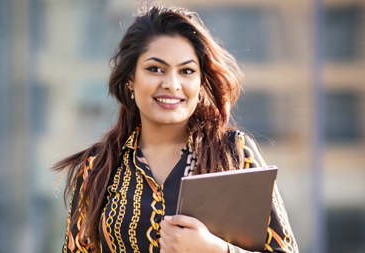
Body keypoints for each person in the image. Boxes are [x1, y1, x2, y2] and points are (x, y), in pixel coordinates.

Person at [53, 3, 298, 253]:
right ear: (130, 79)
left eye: (186, 71)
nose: (172, 84)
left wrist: (216, 250)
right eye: (155, 69)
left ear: (201, 81)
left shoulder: (234, 151)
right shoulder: (98, 167)